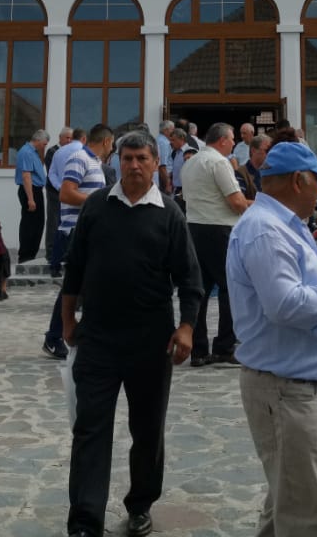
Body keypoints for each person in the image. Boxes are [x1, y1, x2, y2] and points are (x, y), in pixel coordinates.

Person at [61, 130, 202, 537]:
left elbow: (189, 278)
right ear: (117, 162)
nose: (134, 165)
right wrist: (68, 320)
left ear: (156, 162)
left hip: (150, 340)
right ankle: (85, 520)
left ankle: (140, 505)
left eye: (142, 158)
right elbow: (75, 268)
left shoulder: (169, 213)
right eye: (127, 158)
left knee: (148, 429)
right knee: (90, 428)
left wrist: (187, 326)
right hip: (98, 337)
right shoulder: (96, 206)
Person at [228, 141, 317, 536]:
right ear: (297, 181)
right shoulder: (266, 231)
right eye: (316, 182)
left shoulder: (284, 226)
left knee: (287, 505)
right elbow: (284, 305)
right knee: (308, 518)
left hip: (294, 388)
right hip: (286, 392)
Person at [181, 122, 251, 365]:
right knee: (230, 287)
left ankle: (198, 349)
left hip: (194, 227)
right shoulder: (219, 162)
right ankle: (224, 345)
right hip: (219, 228)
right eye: (232, 139)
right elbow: (237, 202)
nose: (234, 143)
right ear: (222, 140)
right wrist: (259, 204)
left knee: (200, 289)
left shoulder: (190, 162)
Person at [43, 125, 114, 359]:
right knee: (73, 286)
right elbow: (66, 193)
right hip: (75, 232)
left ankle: (82, 334)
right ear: (106, 141)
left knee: (84, 286)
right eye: (112, 143)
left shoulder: (94, 162)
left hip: (89, 231)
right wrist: (97, 201)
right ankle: (54, 337)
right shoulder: (79, 159)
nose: (112, 148)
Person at [44, 126, 77, 276]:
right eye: (67, 138)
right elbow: (52, 173)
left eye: (71, 138)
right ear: (60, 138)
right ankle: (51, 253)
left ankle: (64, 253)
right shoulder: (53, 152)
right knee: (54, 221)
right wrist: (61, 188)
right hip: (55, 192)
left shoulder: (73, 152)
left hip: (68, 191)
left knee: (66, 223)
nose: (69, 141)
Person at [14, 128, 49, 264]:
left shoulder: (32, 152)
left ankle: (31, 254)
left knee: (37, 223)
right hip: (30, 191)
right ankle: (26, 255)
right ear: (38, 140)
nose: (44, 147)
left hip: (35, 190)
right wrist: (31, 199)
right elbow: (26, 176)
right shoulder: (27, 152)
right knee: (30, 224)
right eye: (44, 144)